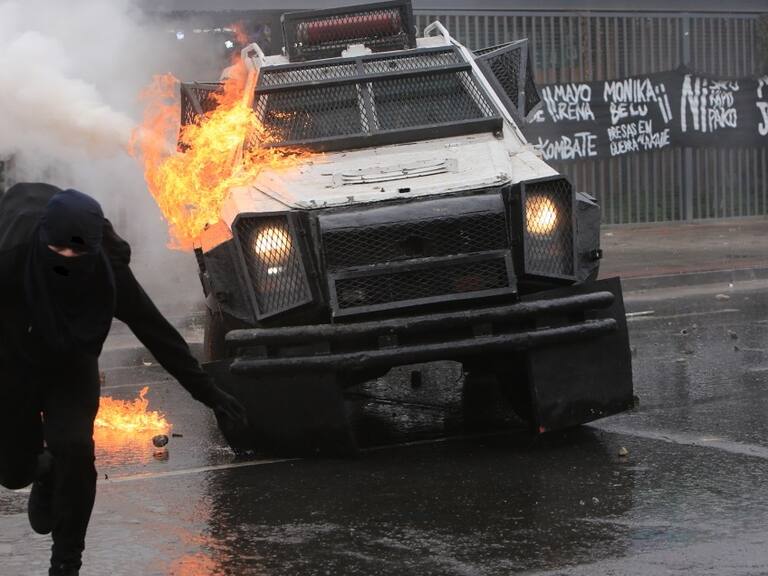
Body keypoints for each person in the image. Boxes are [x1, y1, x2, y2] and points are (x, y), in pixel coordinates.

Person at [0, 182, 248, 576]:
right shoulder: (10, 258)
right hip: (13, 361)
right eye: (56, 250)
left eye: (76, 252)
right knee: (12, 473)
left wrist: (209, 393)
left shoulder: (107, 272)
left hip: (71, 361)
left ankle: (66, 561)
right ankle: (44, 471)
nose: (66, 259)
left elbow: (157, 332)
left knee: (77, 449)